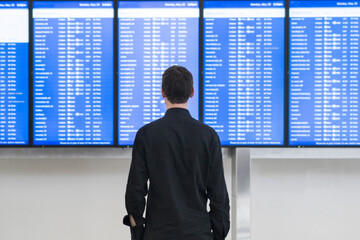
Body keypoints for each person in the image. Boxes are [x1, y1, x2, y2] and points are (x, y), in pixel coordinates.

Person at [124, 65, 230, 240]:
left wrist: (138, 234)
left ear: (162, 92)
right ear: (192, 92)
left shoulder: (146, 135)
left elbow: (135, 194)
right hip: (198, 234)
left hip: (157, 233)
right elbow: (219, 196)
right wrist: (217, 235)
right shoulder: (208, 136)